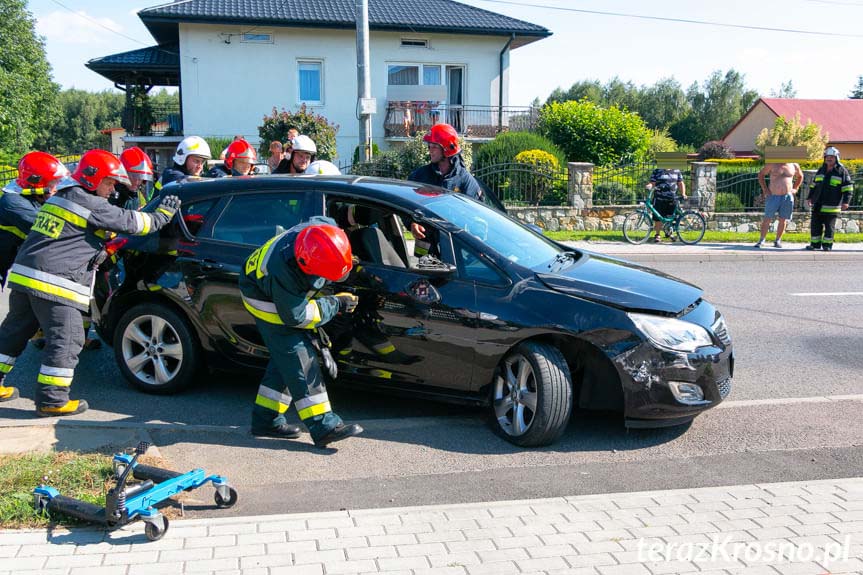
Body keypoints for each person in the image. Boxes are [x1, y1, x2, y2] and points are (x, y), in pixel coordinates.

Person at [0, 149, 181, 415]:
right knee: (67, 339)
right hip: (53, 282)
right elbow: (135, 223)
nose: (112, 189)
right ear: (92, 178)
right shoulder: (90, 203)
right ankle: (52, 400)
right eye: (109, 183)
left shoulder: (62, 196)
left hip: (25, 276)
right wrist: (163, 214)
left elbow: (71, 236)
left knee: (13, 332)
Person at [240, 217, 363, 447]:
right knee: (298, 354)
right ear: (307, 264)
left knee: (285, 359)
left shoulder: (322, 228)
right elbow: (296, 316)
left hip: (279, 291)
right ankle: (324, 426)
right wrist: (336, 304)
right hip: (263, 299)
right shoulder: (284, 270)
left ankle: (265, 420)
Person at [0, 152, 68, 287]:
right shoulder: (13, 202)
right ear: (36, 183)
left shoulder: (35, 199)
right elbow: (51, 228)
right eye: (55, 182)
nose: (59, 187)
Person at [408, 123, 482, 240]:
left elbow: (476, 216)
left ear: (447, 148)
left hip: (453, 243)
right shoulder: (419, 176)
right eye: (429, 146)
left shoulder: (465, 181)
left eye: (434, 147)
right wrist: (411, 223)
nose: (430, 151)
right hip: (426, 243)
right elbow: (407, 205)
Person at [807, 146, 853, 251]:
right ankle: (815, 244)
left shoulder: (842, 171)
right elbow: (813, 185)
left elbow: (848, 188)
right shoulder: (821, 170)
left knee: (829, 227)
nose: (829, 159)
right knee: (815, 226)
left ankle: (827, 245)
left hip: (832, 205)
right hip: (818, 204)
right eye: (827, 157)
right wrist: (809, 197)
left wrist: (846, 202)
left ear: (836, 158)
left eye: (832, 157)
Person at [755, 161, 803, 248]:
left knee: (783, 219)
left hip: (787, 197)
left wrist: (796, 188)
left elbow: (800, 176)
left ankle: (778, 240)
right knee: (767, 218)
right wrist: (765, 189)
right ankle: (762, 240)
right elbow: (761, 174)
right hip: (773, 195)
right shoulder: (772, 164)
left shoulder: (794, 165)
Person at [646, 168, 686, 243]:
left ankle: (669, 233)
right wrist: (649, 185)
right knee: (658, 217)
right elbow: (652, 182)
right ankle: (657, 234)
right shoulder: (657, 170)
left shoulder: (676, 171)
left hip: (672, 197)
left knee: (670, 217)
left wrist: (683, 193)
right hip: (659, 197)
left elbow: (680, 183)